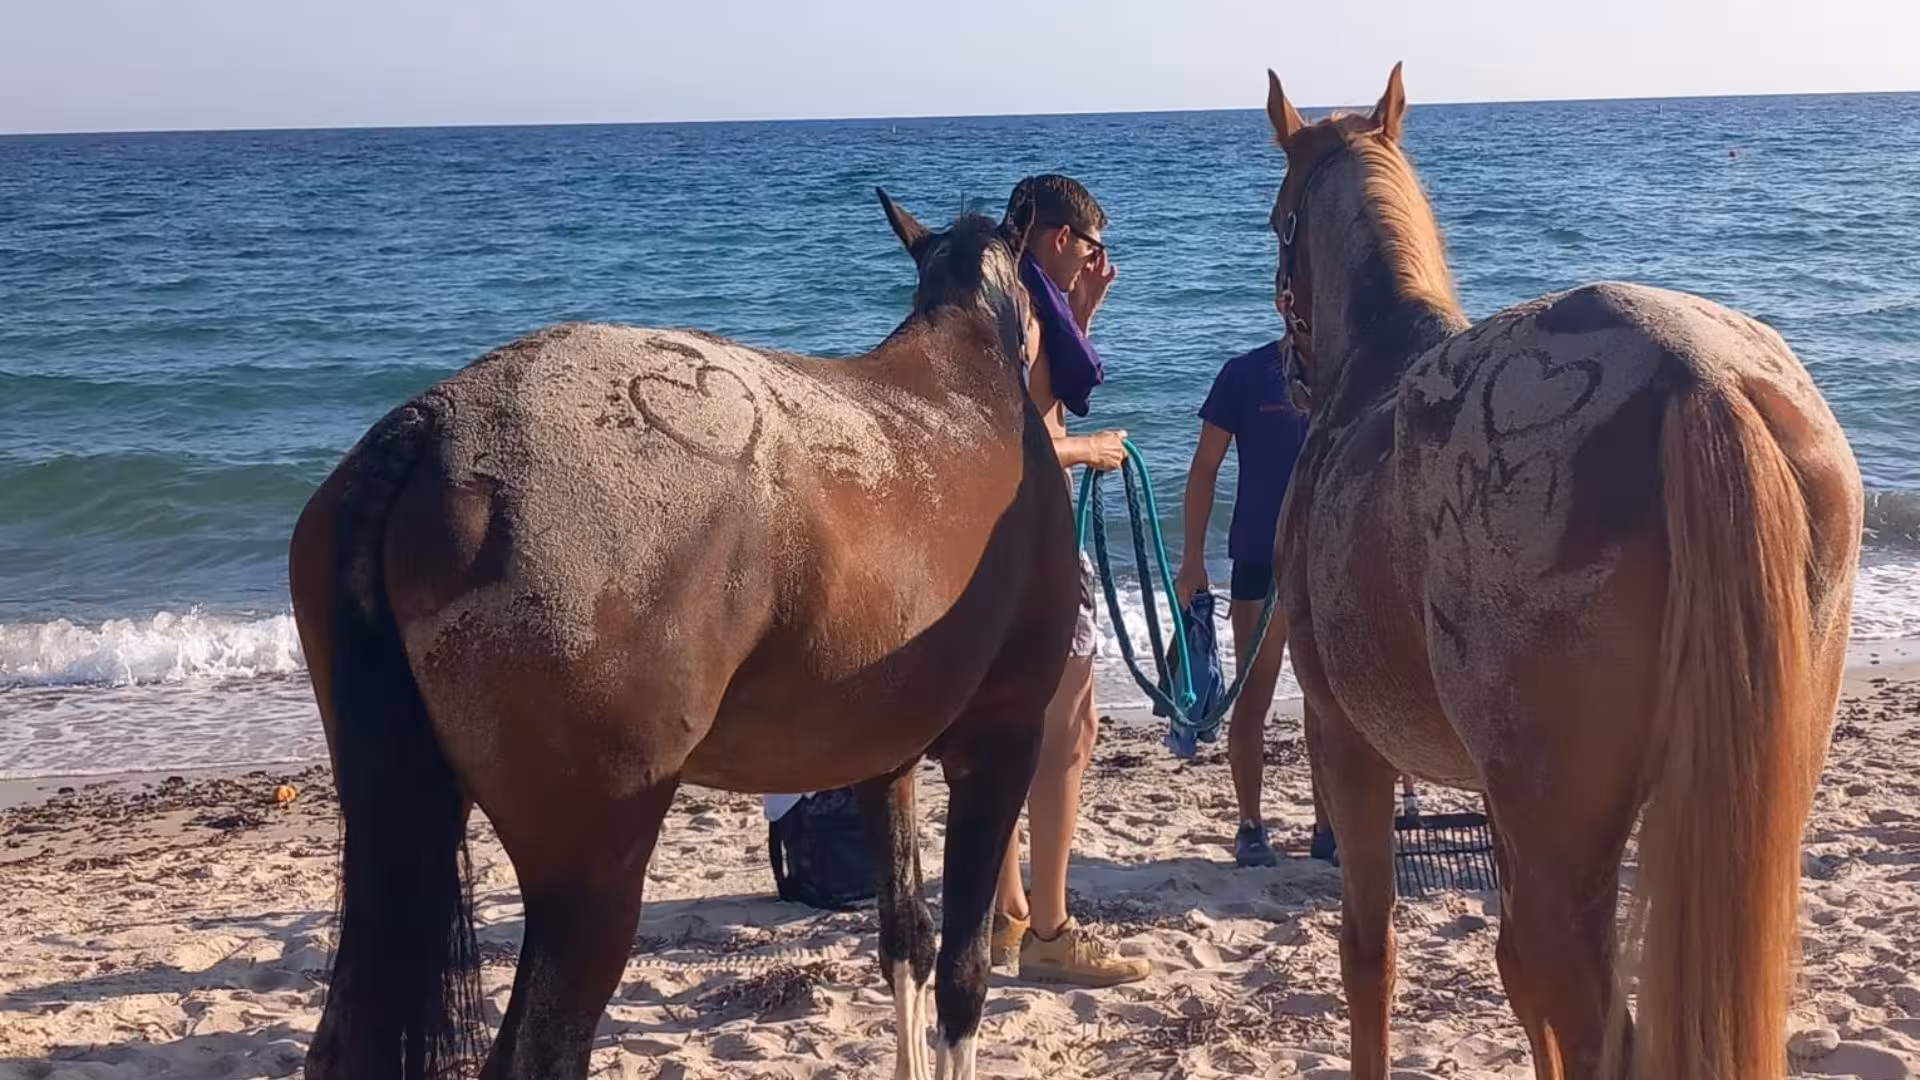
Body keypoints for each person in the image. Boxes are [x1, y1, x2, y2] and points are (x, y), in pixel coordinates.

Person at [990, 174, 1150, 987]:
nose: (1098, 263)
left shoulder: (1001, 299)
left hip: (994, 553)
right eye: (1091, 249)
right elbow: (1007, 440)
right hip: (1034, 548)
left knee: (1005, 739)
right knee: (1067, 735)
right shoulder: (1016, 312)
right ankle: (1050, 931)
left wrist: (1084, 310)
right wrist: (1093, 454)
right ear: (1058, 238)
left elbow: (1051, 398)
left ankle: (1008, 917)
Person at [1174, 340, 1308, 867]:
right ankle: (1251, 825)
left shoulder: (1346, 366)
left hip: (1328, 559)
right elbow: (1205, 466)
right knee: (1255, 696)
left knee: (1335, 704)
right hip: (1258, 558)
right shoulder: (1246, 373)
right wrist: (1192, 560)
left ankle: (1329, 826)